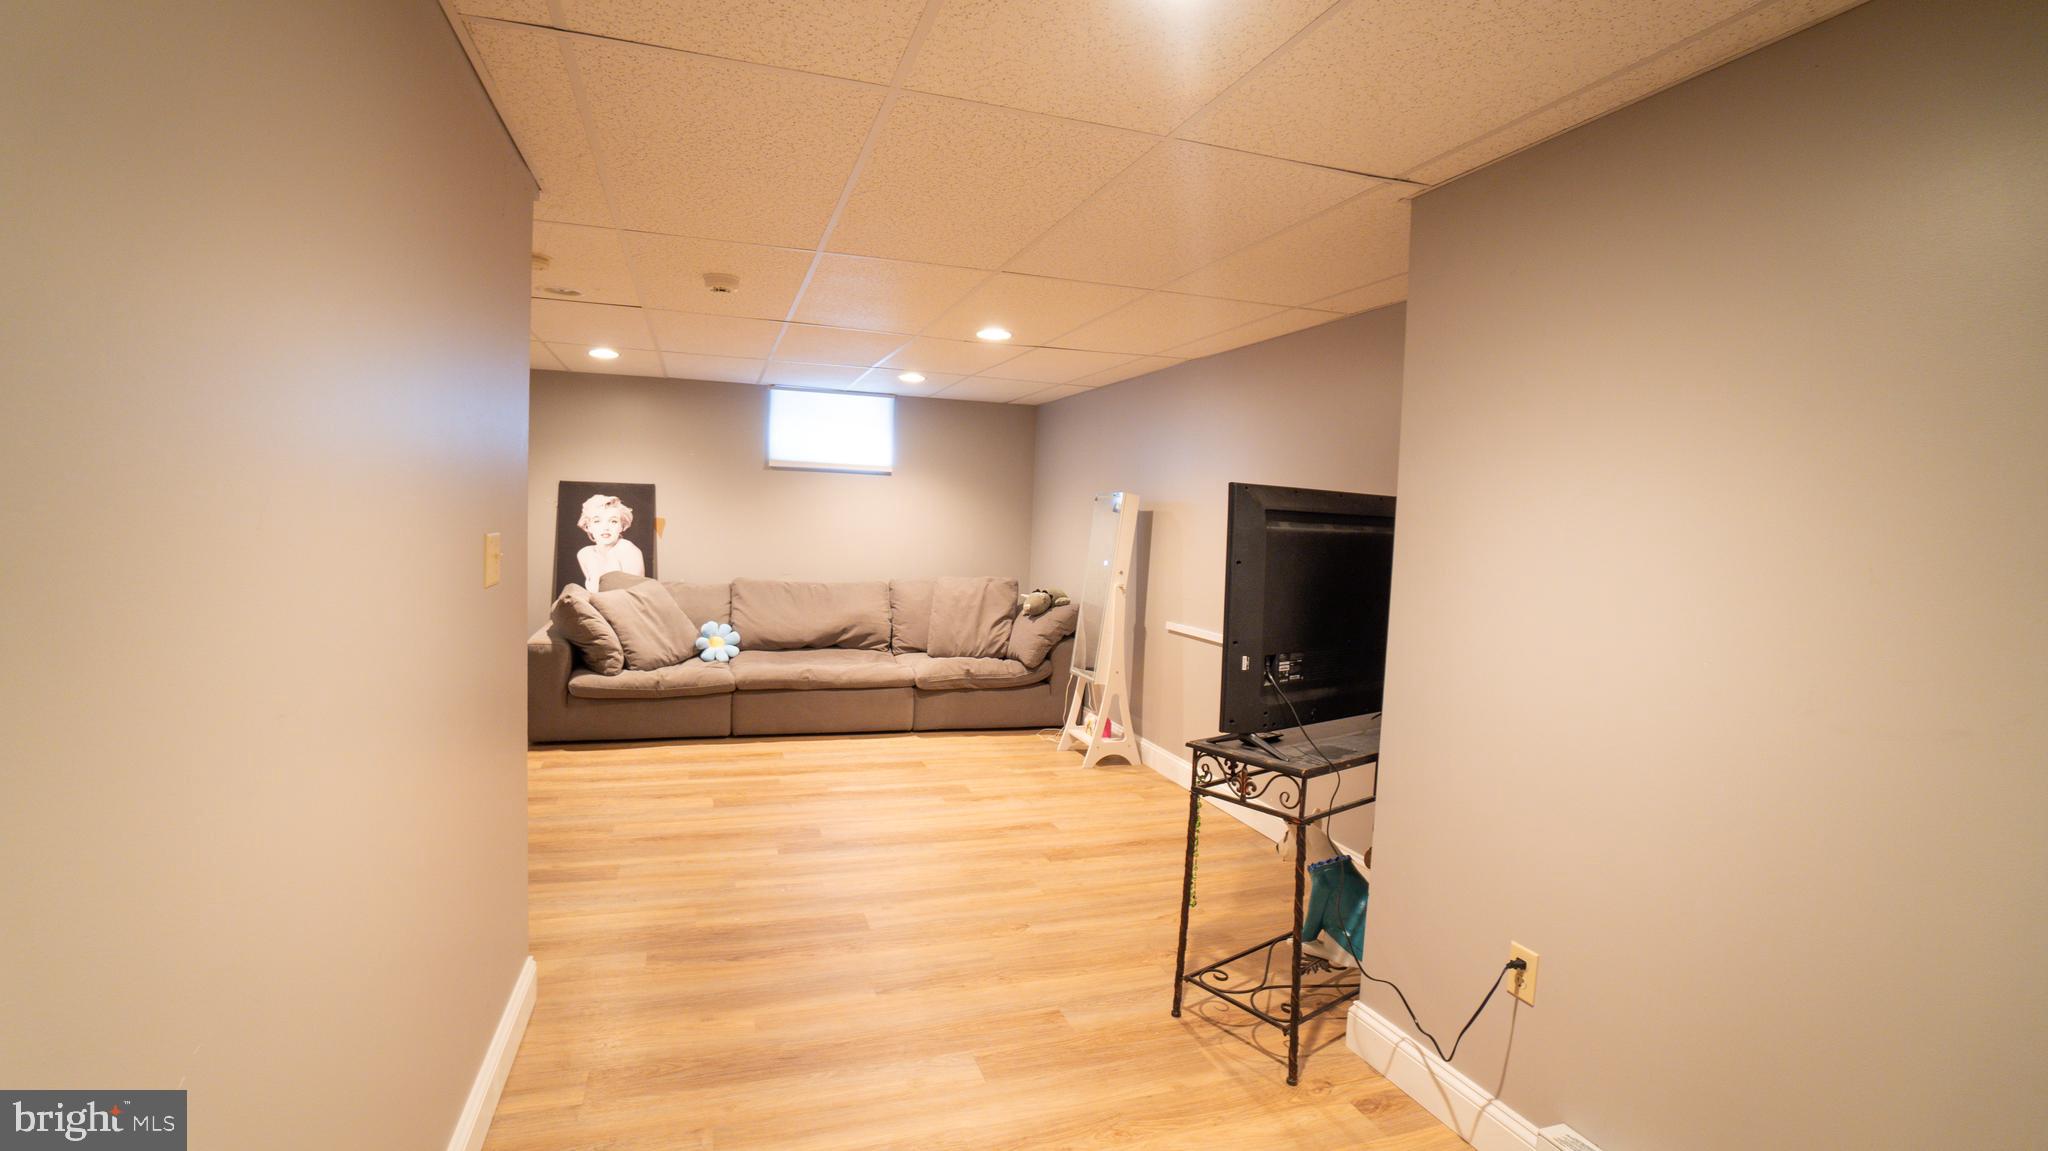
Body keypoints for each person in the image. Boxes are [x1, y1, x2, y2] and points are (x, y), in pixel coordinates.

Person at [575, 493, 645, 589]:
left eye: (613, 521)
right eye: (597, 521)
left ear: (622, 526)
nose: (605, 527)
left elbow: (636, 597)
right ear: (588, 526)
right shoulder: (584, 554)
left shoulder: (627, 550)